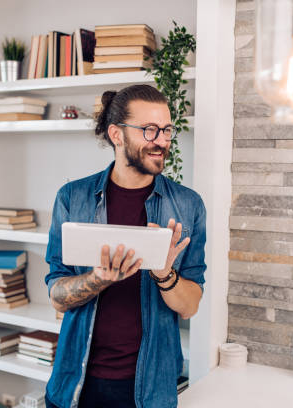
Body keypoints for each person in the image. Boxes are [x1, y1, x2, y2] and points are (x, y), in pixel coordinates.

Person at [43, 84, 207, 408]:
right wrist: (98, 279)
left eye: (167, 130)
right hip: (76, 385)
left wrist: (164, 273)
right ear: (117, 134)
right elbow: (58, 297)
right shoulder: (72, 199)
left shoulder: (188, 207)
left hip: (149, 391)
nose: (161, 141)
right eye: (149, 130)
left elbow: (190, 306)